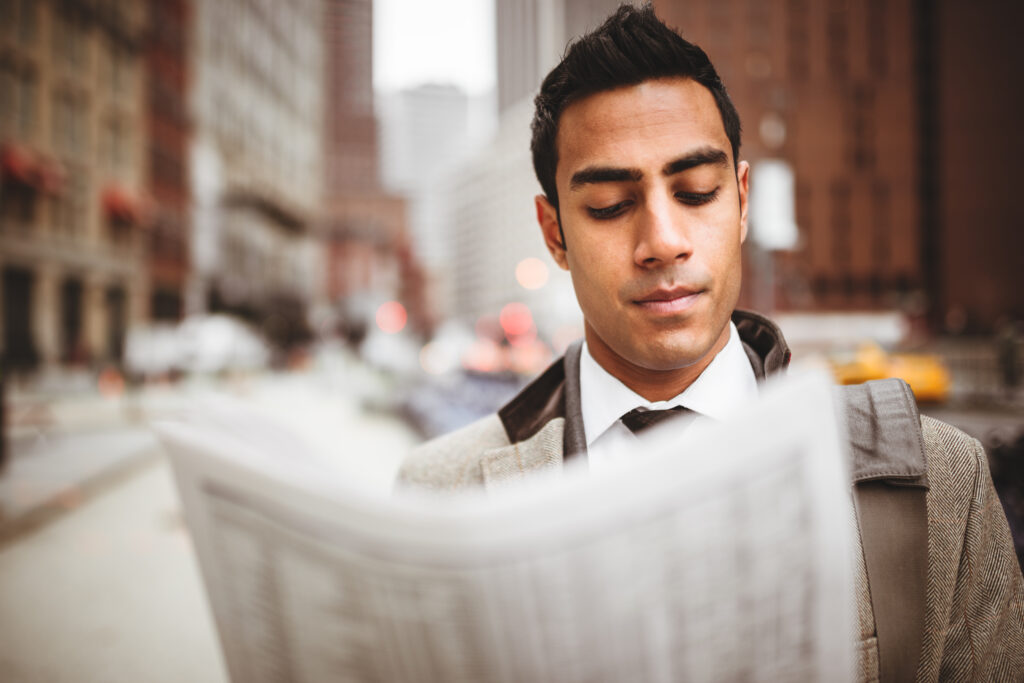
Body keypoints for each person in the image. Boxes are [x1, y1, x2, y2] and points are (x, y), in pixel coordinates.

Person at [397, 3, 1024, 680]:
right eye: (610, 205)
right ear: (555, 234)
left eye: (696, 192)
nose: (663, 241)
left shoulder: (941, 481)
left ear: (742, 201)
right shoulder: (440, 496)